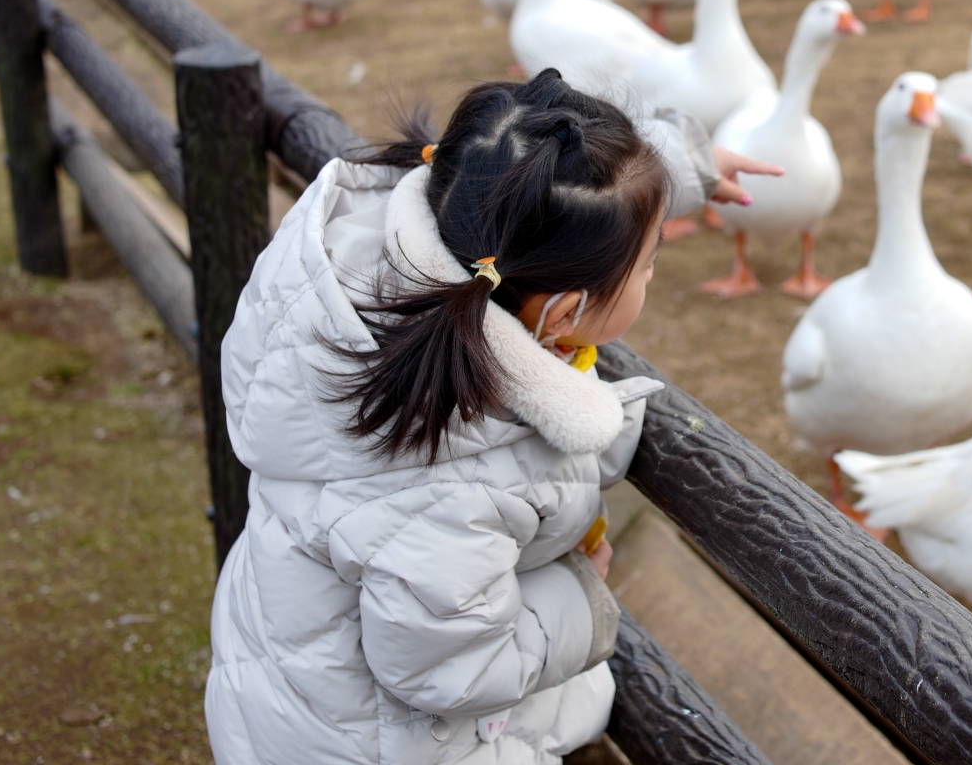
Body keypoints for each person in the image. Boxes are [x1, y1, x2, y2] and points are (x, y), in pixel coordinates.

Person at [205, 70, 771, 764]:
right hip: (375, 744)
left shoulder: (416, 256)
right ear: (564, 316)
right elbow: (449, 669)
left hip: (296, 684)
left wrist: (671, 170)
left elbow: (519, 174)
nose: (652, 271)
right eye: (649, 263)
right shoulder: (442, 485)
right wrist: (578, 597)